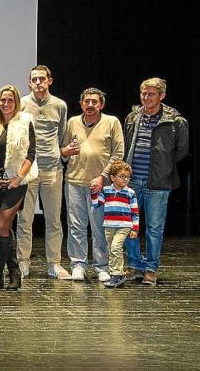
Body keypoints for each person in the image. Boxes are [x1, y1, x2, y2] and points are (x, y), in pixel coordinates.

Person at [123, 77, 189, 285]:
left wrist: (162, 165)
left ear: (162, 95)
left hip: (158, 182)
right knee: (129, 225)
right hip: (132, 181)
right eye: (144, 93)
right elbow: (126, 144)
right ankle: (135, 265)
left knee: (154, 228)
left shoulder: (175, 121)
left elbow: (181, 151)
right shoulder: (133, 117)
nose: (146, 97)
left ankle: (151, 268)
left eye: (151, 94)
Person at [62, 88, 124, 282]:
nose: (90, 105)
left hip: (100, 185)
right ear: (81, 104)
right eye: (86, 101)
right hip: (74, 182)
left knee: (100, 227)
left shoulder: (112, 122)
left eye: (94, 102)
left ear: (101, 104)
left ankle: (101, 266)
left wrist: (103, 177)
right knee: (76, 226)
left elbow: (118, 153)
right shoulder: (72, 122)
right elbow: (63, 150)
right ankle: (78, 264)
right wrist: (65, 151)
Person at [16, 65, 72, 280]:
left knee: (54, 220)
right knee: (25, 219)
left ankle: (54, 264)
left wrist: (59, 155)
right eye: (34, 79)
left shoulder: (60, 105)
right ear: (29, 82)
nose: (38, 82)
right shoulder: (21, 104)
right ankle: (23, 262)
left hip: (52, 169)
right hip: (28, 169)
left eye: (42, 78)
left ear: (50, 80)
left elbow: (61, 135)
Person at [0, 85, 37, 291]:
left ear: (16, 102)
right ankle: (14, 272)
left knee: (3, 225)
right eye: (2, 100)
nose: (6, 103)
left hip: (16, 182)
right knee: (2, 228)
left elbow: (31, 153)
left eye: (10, 100)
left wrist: (19, 177)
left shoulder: (25, 121)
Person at [91, 160, 139, 288]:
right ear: (112, 177)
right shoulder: (106, 190)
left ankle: (118, 274)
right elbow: (96, 204)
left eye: (127, 177)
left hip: (124, 226)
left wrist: (135, 229)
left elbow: (135, 213)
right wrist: (94, 192)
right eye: (122, 176)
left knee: (116, 247)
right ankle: (114, 274)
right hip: (109, 225)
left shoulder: (130, 193)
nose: (125, 179)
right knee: (112, 250)